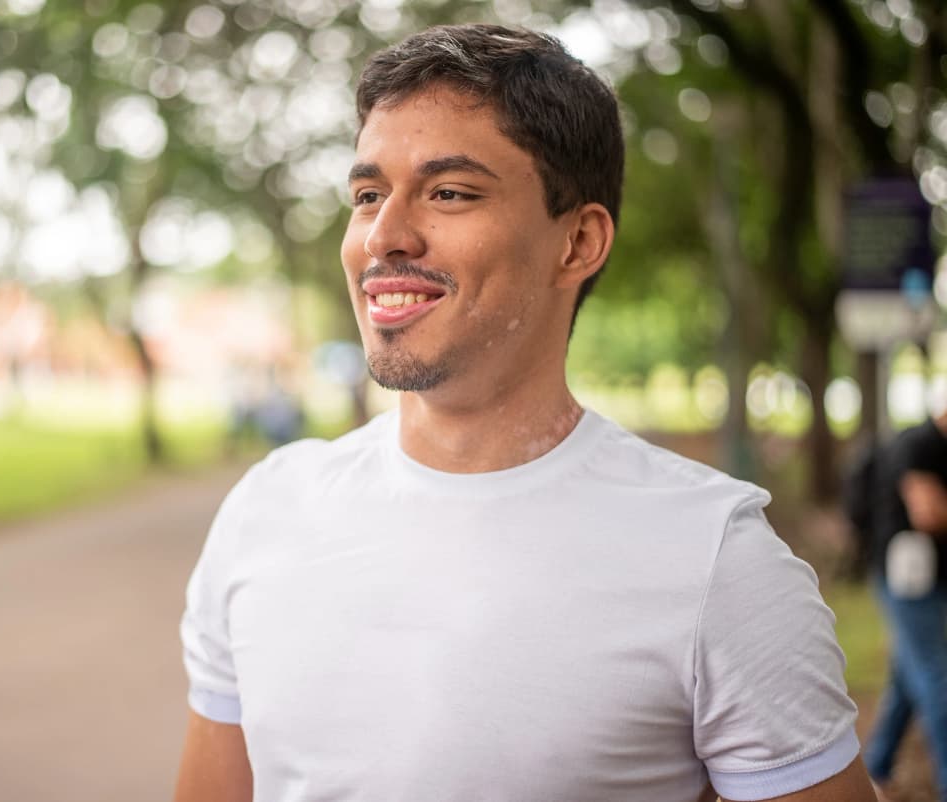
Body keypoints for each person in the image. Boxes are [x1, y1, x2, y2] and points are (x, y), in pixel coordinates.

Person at [174, 24, 876, 802]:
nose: (384, 235)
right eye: (369, 194)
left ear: (577, 242)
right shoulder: (264, 513)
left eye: (449, 192)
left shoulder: (716, 562)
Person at [863, 411, 947, 801]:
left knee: (908, 679)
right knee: (938, 678)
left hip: (931, 579)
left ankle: (876, 766)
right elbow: (928, 512)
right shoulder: (919, 444)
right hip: (907, 581)